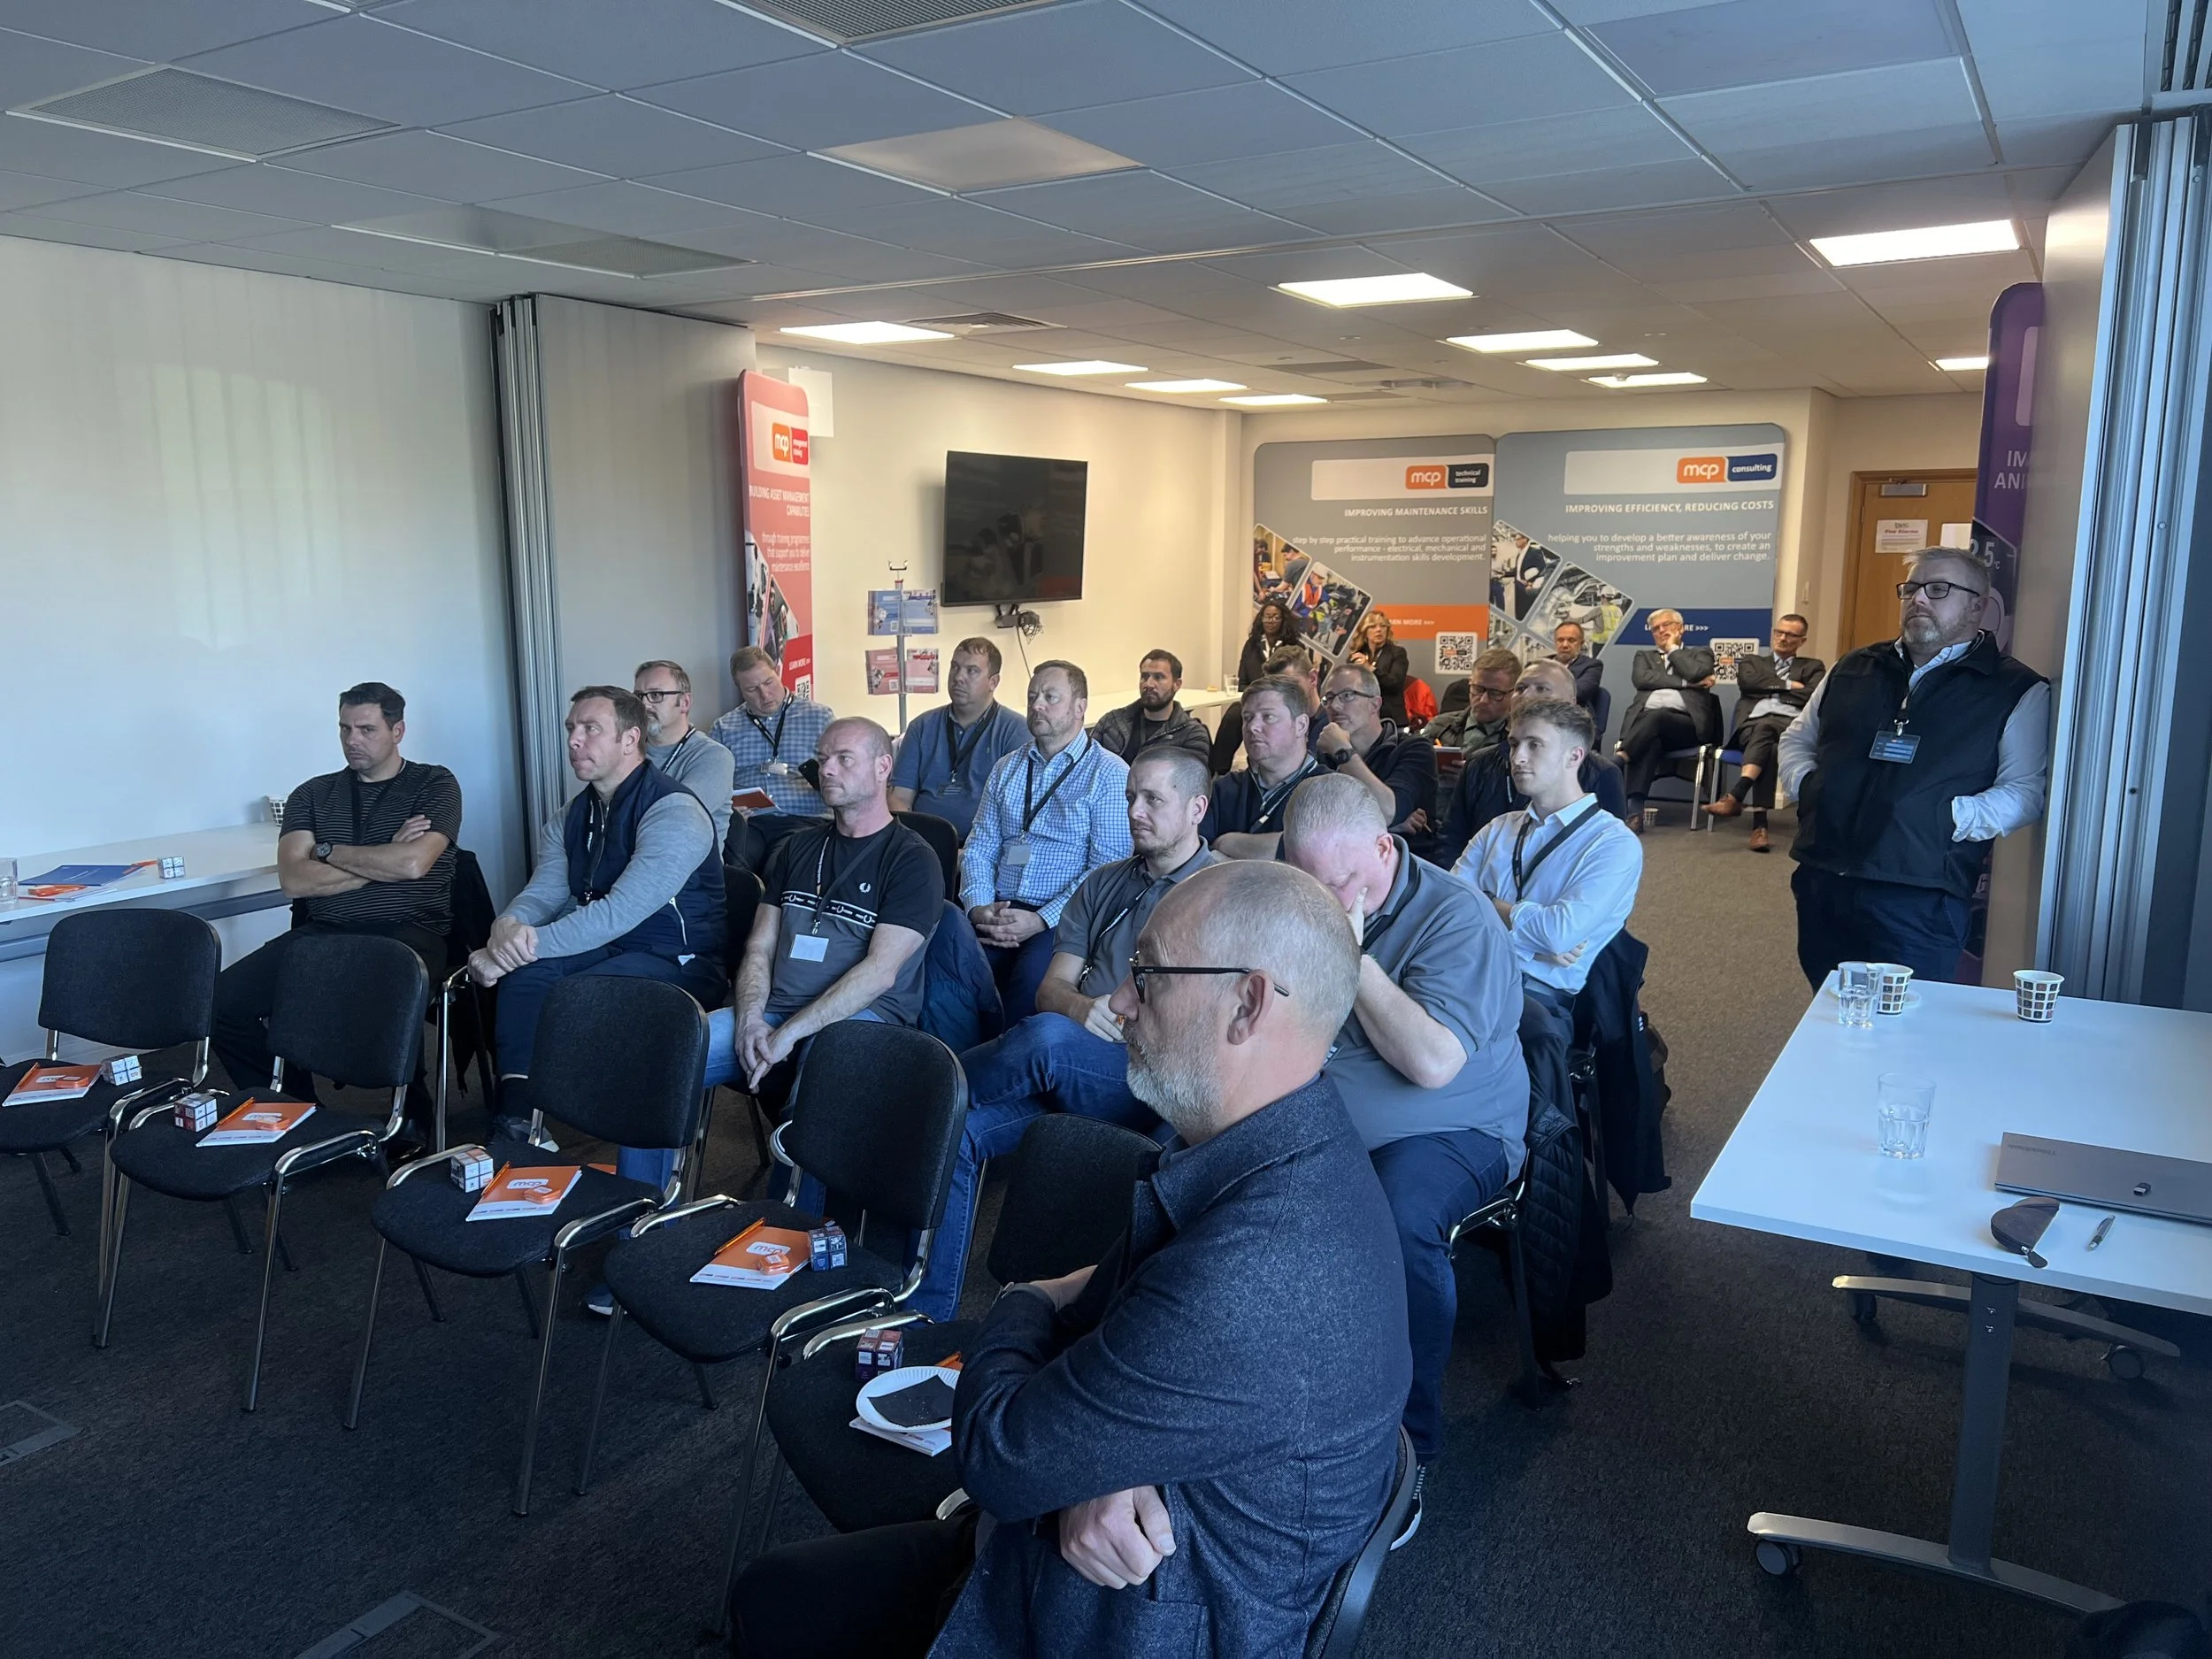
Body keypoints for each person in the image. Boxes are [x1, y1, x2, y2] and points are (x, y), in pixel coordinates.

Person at [726, 860, 1409, 1659]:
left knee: (775, 1613)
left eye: (1146, 974)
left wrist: (1027, 1294)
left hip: (1113, 1624)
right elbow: (1108, 1358)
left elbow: (999, 1453)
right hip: (1081, 1565)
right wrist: (1096, 1462)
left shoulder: (1258, 1267)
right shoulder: (1277, 1152)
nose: (1118, 1000)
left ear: (1247, 1003)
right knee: (773, 1600)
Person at [1282, 774, 1526, 1502]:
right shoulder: (1301, 893)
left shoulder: (1459, 917)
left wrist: (1353, 959)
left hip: (1456, 1126)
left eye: (1343, 882)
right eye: (1308, 884)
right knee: (1191, 1160)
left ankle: (1405, 1450)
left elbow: (1431, 1062)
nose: (1324, 902)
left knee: (1396, 1218)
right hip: (1321, 1113)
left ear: (1386, 847)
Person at [912, 748, 1217, 1322]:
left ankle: (922, 1091)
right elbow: (1050, 989)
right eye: (1130, 796)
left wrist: (1086, 1022)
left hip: (1151, 1077)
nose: (1135, 810)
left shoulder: (1221, 892)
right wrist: (1082, 1007)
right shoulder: (1103, 883)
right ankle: (930, 1315)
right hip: (1074, 1062)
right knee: (962, 1131)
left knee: (1045, 1041)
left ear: (1197, 807)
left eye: (1154, 798)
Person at [467, 687, 725, 1164]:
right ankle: (520, 1118)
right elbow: (545, 892)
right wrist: (507, 928)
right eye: (571, 729)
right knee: (529, 976)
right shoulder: (572, 814)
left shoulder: (674, 810)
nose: (574, 741)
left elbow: (620, 912)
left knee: (574, 990)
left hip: (678, 960)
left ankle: (580, 1115)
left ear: (630, 738)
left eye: (591, 729)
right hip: (609, 947)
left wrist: (512, 950)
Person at [1781, 547, 2049, 987]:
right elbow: (1798, 738)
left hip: (1919, 895)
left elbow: (2024, 792)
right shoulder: (1854, 667)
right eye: (1911, 589)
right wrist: (1811, 787)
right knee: (1828, 1017)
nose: (1919, 599)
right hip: (1823, 877)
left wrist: (1945, 818)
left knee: (1906, 1030)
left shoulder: (2014, 689)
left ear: (1977, 605)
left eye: (1938, 589)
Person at [214, 682, 458, 1143]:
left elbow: (413, 864)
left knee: (389, 982)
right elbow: (295, 879)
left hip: (407, 932)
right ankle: (296, 1109)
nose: (352, 740)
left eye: (367, 729)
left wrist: (327, 854)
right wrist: (377, 862)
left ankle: (412, 1107)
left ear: (398, 730)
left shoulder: (434, 784)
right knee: (222, 1003)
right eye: (345, 729)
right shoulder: (312, 793)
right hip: (323, 930)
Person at [709, 716, 943, 1118]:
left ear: (883, 767)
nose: (827, 769)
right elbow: (760, 946)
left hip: (861, 1016)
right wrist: (749, 1019)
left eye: (844, 759)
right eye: (822, 758)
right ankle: (644, 1185)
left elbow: (880, 972)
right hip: (773, 1010)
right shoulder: (796, 847)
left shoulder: (912, 859)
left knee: (822, 1078)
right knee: (674, 1056)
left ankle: (796, 1182)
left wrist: (789, 1034)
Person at [962, 661, 1133, 1024]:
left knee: (1029, 984)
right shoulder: (1007, 767)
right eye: (1032, 696)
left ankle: (1009, 1068)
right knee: (952, 966)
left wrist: (1040, 920)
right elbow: (979, 846)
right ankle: (953, 1066)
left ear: (1080, 707)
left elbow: (1106, 871)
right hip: (999, 908)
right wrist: (979, 907)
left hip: (1063, 919)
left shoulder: (1108, 774)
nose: (1037, 705)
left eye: (1050, 697)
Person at [1455, 700, 1644, 1013]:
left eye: (1535, 745)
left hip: (1531, 999)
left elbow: (1558, 934)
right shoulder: (1500, 827)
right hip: (1464, 974)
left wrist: (1486, 903)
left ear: (1574, 756)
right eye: (1514, 744)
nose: (1518, 758)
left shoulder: (1613, 842)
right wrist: (1534, 946)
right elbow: (1448, 906)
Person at [1432, 659, 1630, 867]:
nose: (1527, 695)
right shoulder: (1478, 764)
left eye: (1542, 688)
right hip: (1475, 883)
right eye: (1520, 688)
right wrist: (1458, 891)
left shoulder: (1602, 773)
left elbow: (1609, 856)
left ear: (1571, 701)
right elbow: (1451, 840)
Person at [887, 636, 1028, 841]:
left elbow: (1016, 811)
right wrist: (913, 845)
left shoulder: (1015, 730)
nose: (958, 677)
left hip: (985, 847)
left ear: (993, 682)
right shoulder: (922, 726)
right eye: (955, 667)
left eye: (971, 670)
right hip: (923, 845)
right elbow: (899, 797)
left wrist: (975, 853)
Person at [1706, 615, 1824, 852]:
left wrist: (1767, 686)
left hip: (1790, 728)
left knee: (1768, 730)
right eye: (1779, 632)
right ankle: (1756, 823)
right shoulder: (1752, 661)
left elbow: (1813, 696)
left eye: (1790, 635)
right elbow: (1749, 683)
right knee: (1767, 742)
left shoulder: (1813, 666)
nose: (1782, 638)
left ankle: (1742, 802)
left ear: (1802, 640)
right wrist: (1791, 686)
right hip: (1751, 726)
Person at [709, 646, 834, 864]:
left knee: (782, 863)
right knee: (733, 865)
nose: (764, 695)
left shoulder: (819, 718)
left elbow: (841, 772)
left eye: (768, 683)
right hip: (749, 822)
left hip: (803, 818)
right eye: (752, 689)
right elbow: (712, 784)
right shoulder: (724, 727)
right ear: (740, 689)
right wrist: (727, 807)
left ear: (778, 671)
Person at [1618, 609, 1721, 828]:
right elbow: (1642, 679)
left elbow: (1695, 672)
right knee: (1651, 741)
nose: (1661, 630)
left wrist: (1673, 650)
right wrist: (1687, 684)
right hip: (1648, 728)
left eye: (1666, 625)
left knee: (1658, 716)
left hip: (1685, 726)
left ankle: (1621, 756)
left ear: (1680, 629)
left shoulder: (1700, 654)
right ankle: (1635, 814)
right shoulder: (1643, 656)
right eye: (1656, 628)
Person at [1316, 662, 1437, 846]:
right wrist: (1386, 827)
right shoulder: (1325, 752)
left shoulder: (1415, 749)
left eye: (1348, 695)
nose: (1336, 706)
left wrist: (1343, 751)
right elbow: (1315, 824)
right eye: (1329, 698)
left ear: (1375, 704)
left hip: (1400, 867)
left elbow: (1388, 812)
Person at [1202, 674, 1322, 859]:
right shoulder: (1222, 790)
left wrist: (1227, 843)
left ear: (1301, 725)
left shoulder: (1330, 790)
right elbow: (1197, 858)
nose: (1253, 727)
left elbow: (1316, 853)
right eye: (1247, 718)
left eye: (1268, 717)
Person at [634, 659, 734, 851]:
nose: (644, 704)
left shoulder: (714, 756)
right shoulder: (628, 750)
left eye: (656, 695)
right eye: (638, 696)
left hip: (687, 871)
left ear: (685, 703)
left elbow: (676, 819)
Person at [1212, 598, 1303, 772]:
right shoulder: (1252, 645)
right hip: (1253, 699)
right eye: (1267, 617)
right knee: (1233, 715)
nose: (1271, 621)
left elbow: (1295, 683)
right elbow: (1243, 680)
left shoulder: (1293, 646)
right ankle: (1217, 769)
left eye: (1275, 617)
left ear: (1283, 620)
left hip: (1281, 700)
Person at [1088, 649, 1214, 766]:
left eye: (1159, 677)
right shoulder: (1112, 722)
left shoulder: (1191, 735)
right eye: (1145, 676)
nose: (1148, 684)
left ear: (1177, 684)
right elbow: (1086, 763)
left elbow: (1191, 783)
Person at [1426, 648, 1519, 754]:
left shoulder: (1520, 738)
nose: (1483, 700)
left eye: (1495, 693)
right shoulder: (1438, 727)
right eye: (1478, 689)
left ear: (1514, 693)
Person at [1349, 610, 1412, 726]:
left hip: (1390, 718)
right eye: (1373, 626)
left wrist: (1370, 669)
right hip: (1362, 718)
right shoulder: (1357, 655)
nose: (1379, 629)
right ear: (1365, 631)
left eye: (1383, 626)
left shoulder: (1397, 653)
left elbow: (1395, 683)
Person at [1554, 620, 1604, 714]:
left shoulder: (1592, 666)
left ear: (1581, 644)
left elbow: (1579, 692)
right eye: (1560, 640)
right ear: (1555, 642)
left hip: (1574, 718)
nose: (1565, 645)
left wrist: (1542, 693)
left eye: (1571, 640)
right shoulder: (1542, 665)